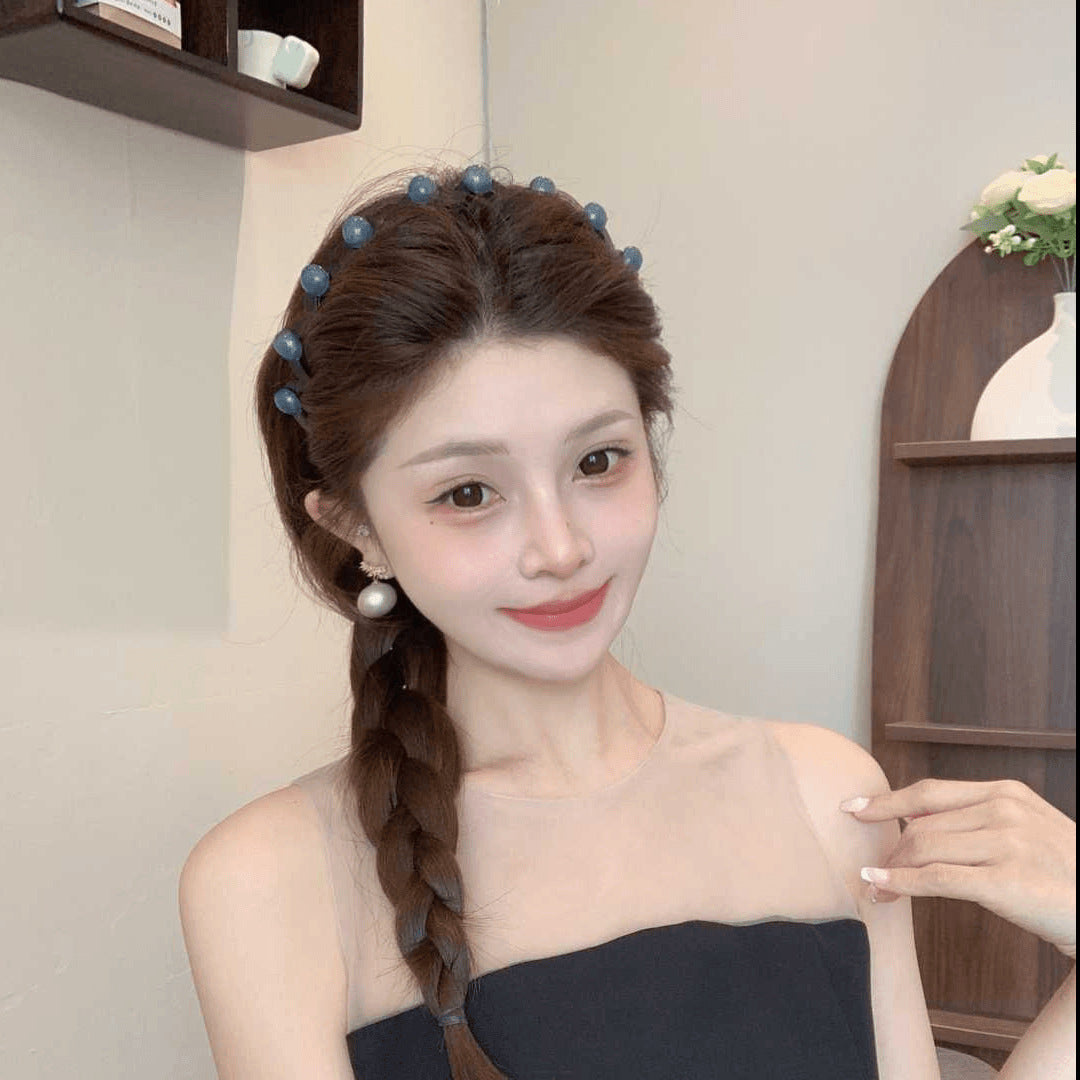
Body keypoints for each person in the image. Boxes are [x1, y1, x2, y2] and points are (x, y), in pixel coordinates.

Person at [178, 165, 1076, 1080]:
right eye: (469, 492)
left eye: (599, 461)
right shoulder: (269, 883)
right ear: (356, 526)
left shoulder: (828, 796)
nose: (561, 547)